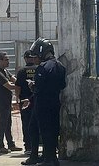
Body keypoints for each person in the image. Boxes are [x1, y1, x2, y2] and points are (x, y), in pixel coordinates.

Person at [26, 38, 66, 166]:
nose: (35, 59)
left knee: (40, 130)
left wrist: (32, 85)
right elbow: (62, 85)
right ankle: (50, 157)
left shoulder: (43, 67)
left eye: (36, 56)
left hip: (42, 103)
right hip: (54, 102)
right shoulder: (60, 66)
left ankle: (45, 158)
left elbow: (38, 87)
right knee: (52, 130)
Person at [0, 51, 22, 154]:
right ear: (0, 61)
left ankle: (11, 144)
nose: (8, 61)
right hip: (1, 103)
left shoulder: (5, 71)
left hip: (6, 102)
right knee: (3, 124)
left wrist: (21, 81)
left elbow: (14, 80)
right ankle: (0, 146)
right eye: (6, 60)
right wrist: (21, 86)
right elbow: (9, 85)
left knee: (8, 124)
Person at [15, 50, 38, 155]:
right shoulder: (38, 69)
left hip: (24, 102)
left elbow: (17, 87)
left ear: (25, 58)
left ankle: (28, 147)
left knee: (26, 124)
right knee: (38, 124)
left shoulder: (21, 71)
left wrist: (17, 99)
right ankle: (38, 146)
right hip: (36, 100)